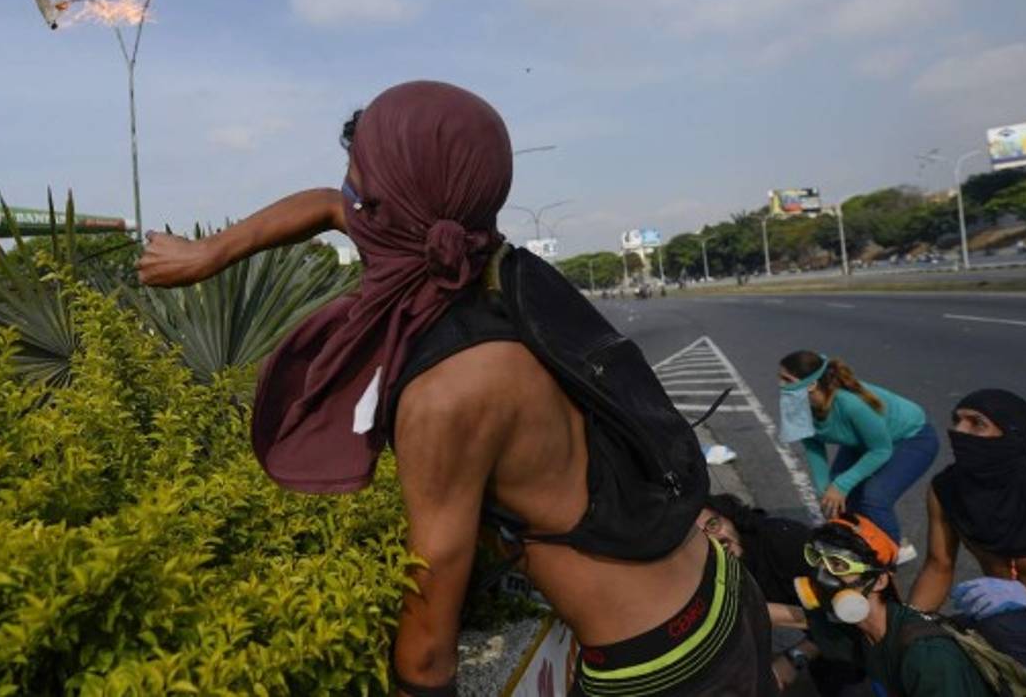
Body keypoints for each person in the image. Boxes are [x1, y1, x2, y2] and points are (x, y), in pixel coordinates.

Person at [139, 81, 774, 696]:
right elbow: (327, 204)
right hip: (715, 590)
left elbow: (431, 603)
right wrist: (210, 253)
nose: (345, 200)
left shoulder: (453, 387)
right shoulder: (490, 266)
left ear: (387, 213)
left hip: (666, 666)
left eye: (358, 187)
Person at [909, 389, 1026, 678]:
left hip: (1015, 619)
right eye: (957, 420)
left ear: (1011, 436)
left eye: (976, 423)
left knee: (1001, 632)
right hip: (1006, 618)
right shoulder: (947, 490)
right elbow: (938, 566)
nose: (958, 431)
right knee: (933, 642)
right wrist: (908, 626)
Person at [799, 515, 994, 696]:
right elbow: (827, 638)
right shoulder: (867, 632)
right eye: (817, 560)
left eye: (838, 565)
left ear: (879, 581)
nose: (822, 576)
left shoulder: (927, 657)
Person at [698, 494, 865, 694]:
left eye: (714, 525)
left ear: (729, 517)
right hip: (824, 637)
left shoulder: (783, 541)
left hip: (861, 633)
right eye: (701, 539)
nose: (716, 540)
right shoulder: (712, 573)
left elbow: (849, 611)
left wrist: (794, 657)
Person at [777, 351, 937, 551]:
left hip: (911, 438)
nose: (780, 385)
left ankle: (890, 554)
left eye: (787, 380)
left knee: (873, 497)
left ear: (811, 384)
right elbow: (813, 445)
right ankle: (859, 543)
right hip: (865, 442)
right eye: (780, 378)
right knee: (835, 494)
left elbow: (880, 450)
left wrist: (841, 485)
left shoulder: (850, 404)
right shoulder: (797, 405)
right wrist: (824, 490)